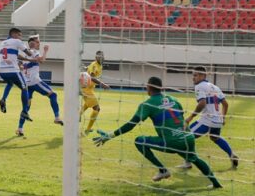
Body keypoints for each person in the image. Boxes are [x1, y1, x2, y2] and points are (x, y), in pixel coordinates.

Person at [93, 77, 222, 189]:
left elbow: (131, 125)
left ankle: (163, 170)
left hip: (172, 142)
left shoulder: (147, 104)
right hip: (188, 138)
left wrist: (110, 135)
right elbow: (181, 116)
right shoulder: (174, 99)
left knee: (139, 141)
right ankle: (216, 183)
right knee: (195, 159)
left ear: (148, 87)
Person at [182, 66, 239, 169]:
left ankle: (188, 163)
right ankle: (232, 154)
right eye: (193, 75)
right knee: (215, 138)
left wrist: (190, 117)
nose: (193, 78)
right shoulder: (215, 87)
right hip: (217, 121)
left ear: (203, 75)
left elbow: (202, 103)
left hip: (206, 121)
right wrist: (223, 118)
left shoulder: (199, 86)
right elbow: (225, 104)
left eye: (195, 75)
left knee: (186, 137)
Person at [14, 35, 63, 136]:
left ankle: (20, 128)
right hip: (35, 81)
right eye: (37, 42)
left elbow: (20, 66)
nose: (39, 43)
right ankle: (57, 117)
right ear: (31, 43)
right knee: (53, 95)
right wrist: (45, 51)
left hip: (26, 83)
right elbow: (41, 60)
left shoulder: (23, 54)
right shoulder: (34, 52)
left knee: (26, 107)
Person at [0, 27, 33, 124]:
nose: (21, 37)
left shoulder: (3, 43)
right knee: (24, 88)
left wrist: (27, 60)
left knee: (10, 83)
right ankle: (25, 111)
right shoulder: (16, 41)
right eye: (19, 35)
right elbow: (28, 53)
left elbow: (15, 55)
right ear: (14, 34)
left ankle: (3, 99)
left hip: (0, 69)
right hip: (12, 69)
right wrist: (33, 55)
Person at [80, 50, 109, 135]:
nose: (100, 57)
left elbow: (88, 70)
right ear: (96, 57)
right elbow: (92, 77)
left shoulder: (98, 65)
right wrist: (102, 84)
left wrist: (85, 68)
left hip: (89, 89)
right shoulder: (95, 65)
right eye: (98, 56)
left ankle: (77, 115)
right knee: (97, 108)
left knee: (87, 105)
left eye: (101, 56)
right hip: (86, 89)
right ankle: (87, 130)